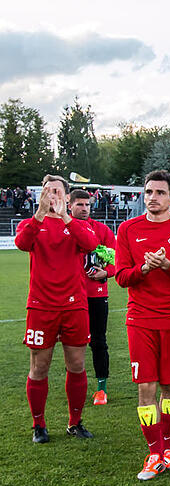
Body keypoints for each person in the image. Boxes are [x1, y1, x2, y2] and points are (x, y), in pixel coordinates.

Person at [115, 170, 170, 480]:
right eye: (149, 192)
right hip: (140, 318)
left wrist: (167, 265)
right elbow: (122, 276)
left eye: (160, 193)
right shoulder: (127, 229)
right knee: (146, 387)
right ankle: (153, 454)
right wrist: (144, 268)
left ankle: (168, 448)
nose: (153, 197)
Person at [15, 175, 99, 444]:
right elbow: (22, 243)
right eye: (48, 191)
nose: (53, 195)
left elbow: (89, 245)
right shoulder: (32, 224)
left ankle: (75, 422)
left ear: (66, 196)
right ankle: (38, 425)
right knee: (39, 367)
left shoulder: (76, 224)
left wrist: (66, 218)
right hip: (41, 307)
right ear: (41, 195)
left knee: (76, 365)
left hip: (74, 306)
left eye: (58, 191)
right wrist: (40, 213)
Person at [68, 189, 117, 406]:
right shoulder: (63, 229)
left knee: (99, 341)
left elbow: (118, 259)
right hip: (69, 296)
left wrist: (106, 272)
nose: (84, 209)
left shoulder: (102, 230)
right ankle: (76, 385)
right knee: (72, 344)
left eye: (87, 205)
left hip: (96, 295)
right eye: (79, 205)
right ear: (69, 205)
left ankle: (101, 389)